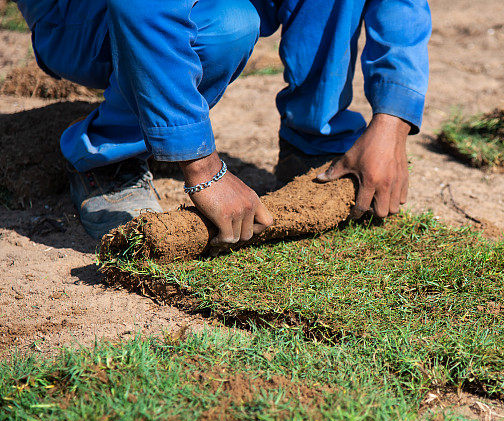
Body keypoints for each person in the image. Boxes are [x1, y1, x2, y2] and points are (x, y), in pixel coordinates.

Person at [13, 0, 431, 241]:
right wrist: (204, 169)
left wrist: (392, 122)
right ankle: (110, 156)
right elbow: (142, 9)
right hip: (82, 14)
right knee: (228, 25)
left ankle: (314, 139)